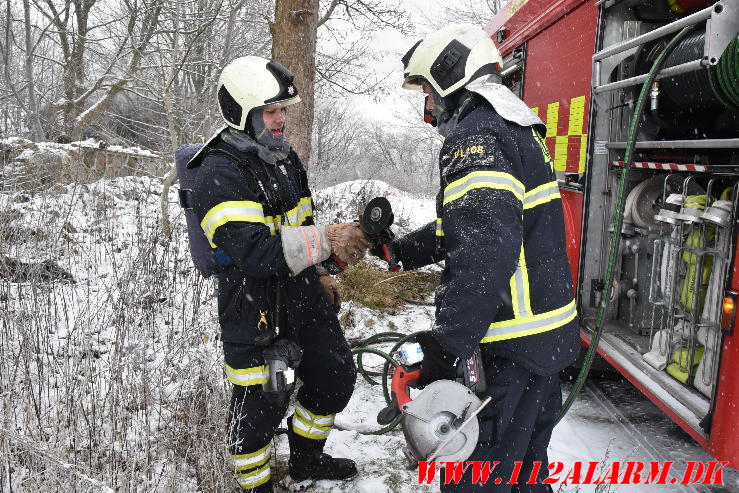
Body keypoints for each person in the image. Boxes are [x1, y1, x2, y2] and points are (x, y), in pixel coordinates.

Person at [379, 24, 580, 492]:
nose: (427, 109)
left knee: (479, 478)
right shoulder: (515, 128)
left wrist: (445, 346)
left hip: (509, 348)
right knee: (527, 474)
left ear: (451, 80)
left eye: (428, 92)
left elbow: (483, 258)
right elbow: (472, 228)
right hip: (545, 343)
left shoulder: (477, 139)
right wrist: (400, 251)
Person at [188, 56, 369, 492]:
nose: (281, 119)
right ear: (243, 113)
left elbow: (302, 225)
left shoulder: (284, 160)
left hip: (302, 292)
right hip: (255, 308)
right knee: (262, 405)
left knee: (335, 373)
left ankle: (307, 461)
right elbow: (253, 252)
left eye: (282, 110)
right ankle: (256, 485)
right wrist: (327, 240)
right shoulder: (218, 172)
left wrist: (324, 271)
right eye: (270, 111)